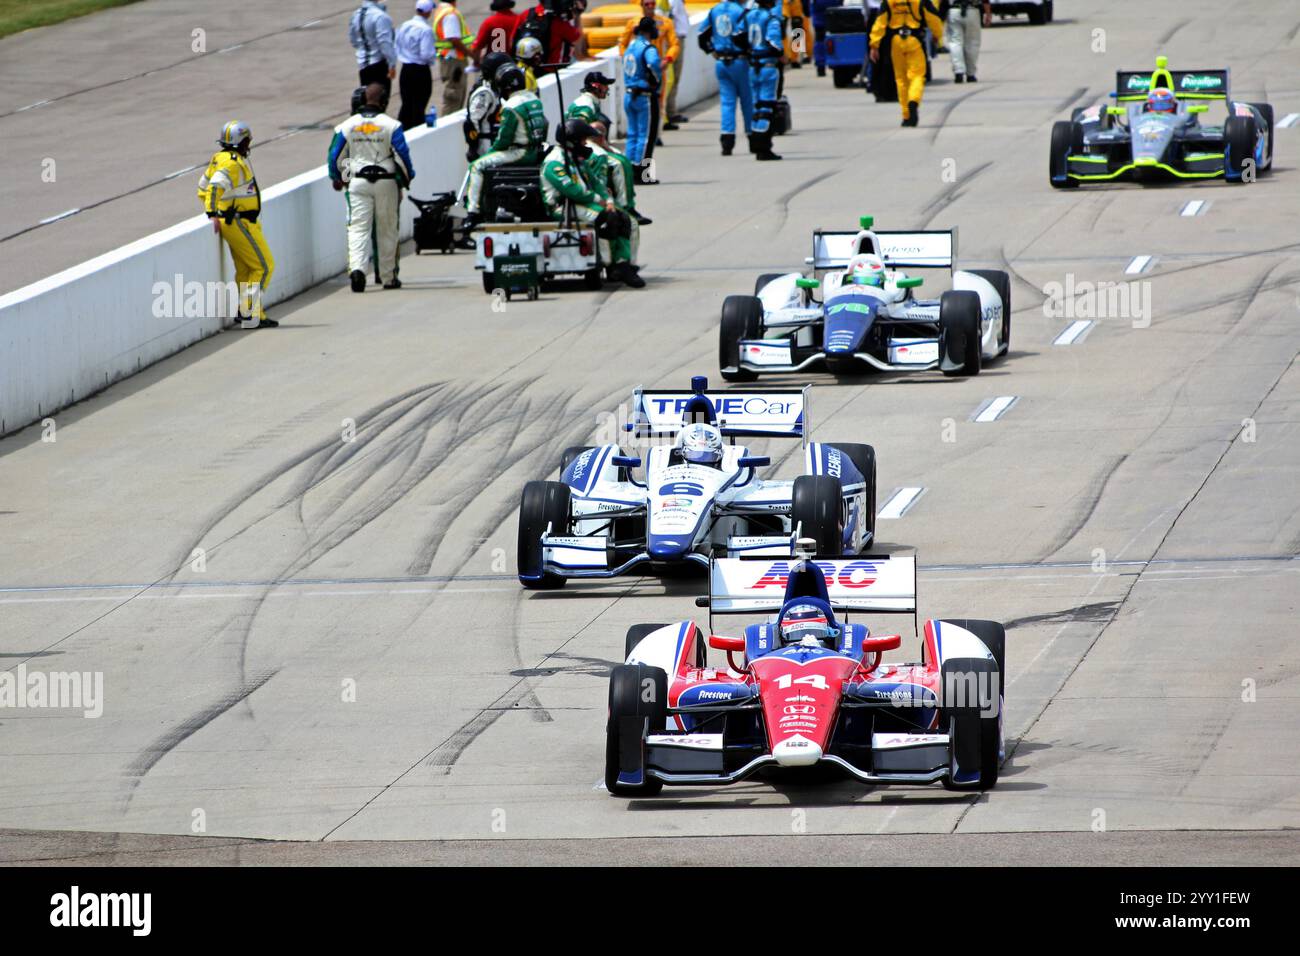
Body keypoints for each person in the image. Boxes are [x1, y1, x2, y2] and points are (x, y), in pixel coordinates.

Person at [328, 84, 416, 292]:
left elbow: (335, 157)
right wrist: (407, 178)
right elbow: (402, 155)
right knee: (387, 229)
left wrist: (339, 178)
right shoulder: (391, 125)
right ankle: (388, 277)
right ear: (384, 101)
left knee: (358, 227)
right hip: (386, 181)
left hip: (358, 181)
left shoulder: (347, 125)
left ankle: (357, 270)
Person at [541, 120, 643, 287]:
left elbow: (597, 184)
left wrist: (609, 200)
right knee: (607, 218)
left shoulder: (577, 159)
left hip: (586, 203)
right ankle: (610, 264)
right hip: (563, 207)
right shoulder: (555, 162)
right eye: (583, 140)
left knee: (626, 219)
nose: (586, 144)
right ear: (572, 141)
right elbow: (572, 191)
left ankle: (625, 264)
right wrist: (600, 201)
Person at [197, 121, 276, 328]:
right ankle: (249, 312)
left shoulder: (220, 159)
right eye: (247, 140)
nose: (249, 144)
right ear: (239, 142)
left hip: (237, 221)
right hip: (239, 221)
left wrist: (215, 210)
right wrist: (212, 212)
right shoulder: (232, 163)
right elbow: (213, 188)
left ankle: (247, 312)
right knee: (264, 266)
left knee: (245, 270)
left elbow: (202, 187)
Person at [460, 64, 547, 228]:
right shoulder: (535, 100)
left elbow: (504, 140)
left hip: (520, 153)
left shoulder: (511, 106)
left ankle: (473, 213)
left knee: (476, 166)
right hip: (535, 151)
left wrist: (489, 154)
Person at [869, 0, 943, 127]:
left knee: (901, 79)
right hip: (914, 40)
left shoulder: (889, 1)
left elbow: (880, 22)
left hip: (896, 41)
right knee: (917, 75)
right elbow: (934, 18)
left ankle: (907, 116)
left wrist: (874, 45)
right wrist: (937, 36)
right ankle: (913, 101)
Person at [699, 0, 753, 156]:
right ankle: (752, 136)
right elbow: (743, 36)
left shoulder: (714, 10)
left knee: (727, 102)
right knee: (747, 101)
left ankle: (727, 140)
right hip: (740, 60)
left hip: (722, 61)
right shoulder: (741, 11)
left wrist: (712, 50)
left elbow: (701, 35)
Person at [620, 0, 678, 143]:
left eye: (653, 4)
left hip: (657, 69)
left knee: (659, 101)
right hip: (639, 71)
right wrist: (628, 60)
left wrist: (668, 59)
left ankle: (656, 133)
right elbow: (622, 44)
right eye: (647, 4)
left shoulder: (665, 22)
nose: (650, 7)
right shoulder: (633, 23)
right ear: (641, 5)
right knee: (640, 100)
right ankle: (643, 137)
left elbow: (674, 44)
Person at [745, 0, 784, 160]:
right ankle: (763, 144)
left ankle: (756, 141)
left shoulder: (749, 12)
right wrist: (795, 54)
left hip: (755, 61)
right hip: (771, 57)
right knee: (768, 105)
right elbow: (798, 21)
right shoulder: (772, 15)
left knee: (757, 105)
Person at [622, 18, 663, 169]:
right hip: (643, 96)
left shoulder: (630, 46)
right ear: (650, 30)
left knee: (632, 134)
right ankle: (642, 172)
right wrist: (656, 80)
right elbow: (653, 64)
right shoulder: (648, 48)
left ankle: (629, 169)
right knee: (645, 136)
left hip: (629, 94)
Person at [395, 0, 438, 129]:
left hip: (406, 69)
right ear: (428, 12)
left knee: (407, 104)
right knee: (419, 105)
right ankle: (417, 128)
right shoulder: (425, 30)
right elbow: (426, 54)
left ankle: (403, 129)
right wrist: (434, 56)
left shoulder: (404, 25)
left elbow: (397, 44)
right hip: (420, 71)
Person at [464, 52, 513, 160]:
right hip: (487, 151)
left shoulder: (496, 88)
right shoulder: (484, 92)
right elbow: (471, 122)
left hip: (497, 148)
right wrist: (473, 148)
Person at [517, 0, 586, 73]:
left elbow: (512, 41)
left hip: (523, 69)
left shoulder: (526, 14)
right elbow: (579, 42)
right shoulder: (559, 23)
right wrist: (577, 16)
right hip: (550, 71)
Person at [432, 0, 472, 115]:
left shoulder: (441, 9)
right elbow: (453, 39)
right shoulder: (450, 14)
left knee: (454, 95)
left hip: (448, 59)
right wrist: (472, 54)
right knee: (454, 98)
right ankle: (447, 128)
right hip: (455, 62)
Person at [350, 1, 397, 92]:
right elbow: (385, 43)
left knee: (367, 99)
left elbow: (353, 40)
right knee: (379, 101)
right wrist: (392, 64)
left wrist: (363, 49)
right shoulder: (380, 16)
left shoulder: (356, 15)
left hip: (363, 65)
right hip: (378, 65)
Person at [661, 0, 692, 125]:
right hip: (673, 39)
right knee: (670, 78)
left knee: (674, 78)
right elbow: (667, 18)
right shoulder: (670, 1)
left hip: (677, 38)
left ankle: (670, 111)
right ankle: (668, 114)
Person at [946, 0, 990, 83]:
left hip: (954, 10)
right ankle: (971, 74)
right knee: (972, 43)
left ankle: (958, 71)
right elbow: (985, 1)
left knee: (955, 42)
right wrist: (988, 14)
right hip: (972, 10)